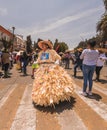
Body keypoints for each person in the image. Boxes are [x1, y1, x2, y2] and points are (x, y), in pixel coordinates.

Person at [32, 40, 74, 106]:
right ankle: (44, 99)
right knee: (42, 84)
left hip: (51, 68)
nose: (42, 46)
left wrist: (57, 62)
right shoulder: (40, 53)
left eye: (44, 45)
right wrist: (35, 64)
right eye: (41, 45)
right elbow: (39, 60)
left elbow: (58, 58)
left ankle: (54, 98)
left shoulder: (52, 51)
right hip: (42, 68)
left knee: (52, 83)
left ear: (47, 45)